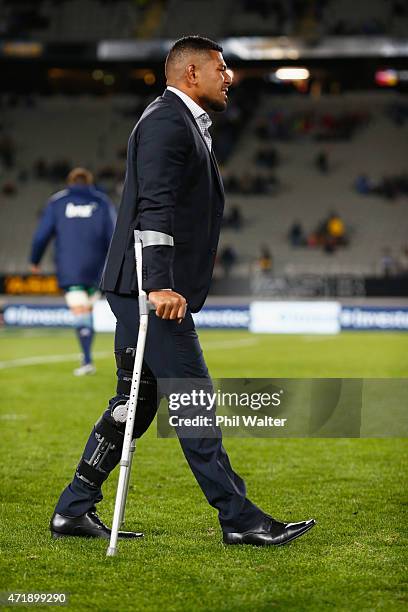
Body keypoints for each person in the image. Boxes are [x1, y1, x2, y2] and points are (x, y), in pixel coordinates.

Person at [50, 36, 315, 546]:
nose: (229, 76)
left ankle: (73, 509)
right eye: (220, 67)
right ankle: (238, 518)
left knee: (136, 403)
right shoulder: (167, 122)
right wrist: (160, 284)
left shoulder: (179, 122)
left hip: (138, 289)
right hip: (148, 291)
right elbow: (156, 207)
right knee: (195, 401)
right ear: (191, 74)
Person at [30, 167, 116, 375]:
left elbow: (42, 235)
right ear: (90, 182)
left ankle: (86, 359)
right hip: (98, 267)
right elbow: (114, 235)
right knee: (86, 309)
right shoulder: (102, 201)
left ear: (70, 181)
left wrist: (35, 260)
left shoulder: (58, 201)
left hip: (70, 266)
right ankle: (86, 356)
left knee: (80, 310)